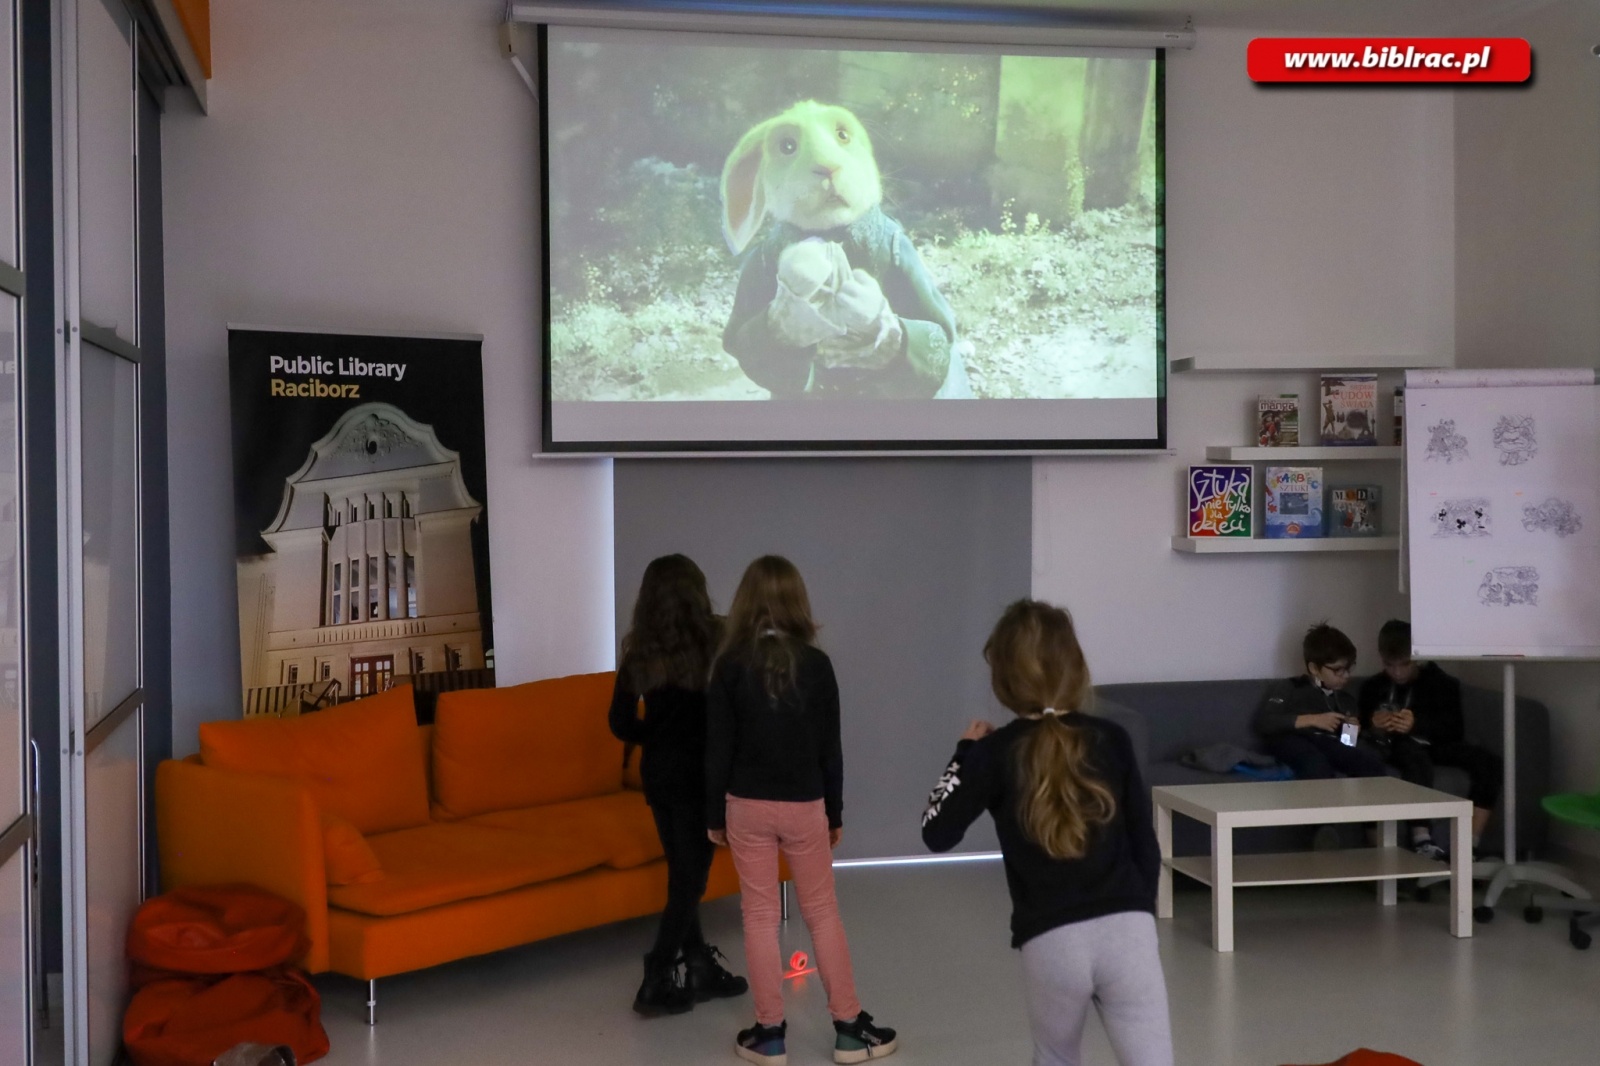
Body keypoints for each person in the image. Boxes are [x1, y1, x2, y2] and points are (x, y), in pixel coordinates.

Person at [921, 599, 1172, 1066]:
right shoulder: (1111, 738)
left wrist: (963, 754)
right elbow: (1145, 843)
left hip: (1051, 941)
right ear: (1075, 666)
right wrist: (1140, 915)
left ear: (1004, 680)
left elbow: (936, 833)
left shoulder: (993, 753)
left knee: (1055, 1056)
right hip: (1128, 927)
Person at [705, 555, 897, 1065]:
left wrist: (713, 816)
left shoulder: (728, 666)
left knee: (760, 915)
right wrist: (834, 813)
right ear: (797, 601)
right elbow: (829, 749)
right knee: (823, 912)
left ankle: (769, 1035)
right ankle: (850, 1029)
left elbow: (717, 749)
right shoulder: (817, 665)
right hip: (805, 805)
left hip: (745, 806)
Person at [609, 554, 748, 1017]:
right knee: (690, 881)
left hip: (660, 775)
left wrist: (658, 736)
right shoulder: (718, 639)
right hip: (701, 776)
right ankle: (657, 974)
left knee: (682, 875)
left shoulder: (640, 652)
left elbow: (619, 723)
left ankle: (699, 968)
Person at [1357, 619, 1502, 858]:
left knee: (1489, 763)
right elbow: (1355, 731)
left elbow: (1454, 730)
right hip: (1397, 747)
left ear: (1417, 657)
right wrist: (1374, 725)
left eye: (1404, 664)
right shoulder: (1373, 687)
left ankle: (1468, 844)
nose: (1397, 672)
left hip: (1438, 744)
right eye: (1389, 665)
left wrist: (1417, 724)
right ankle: (1421, 838)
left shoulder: (1441, 683)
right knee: (1412, 755)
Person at [1253, 622, 1389, 782]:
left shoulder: (1345, 700)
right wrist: (1313, 720)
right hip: (1291, 740)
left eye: (1349, 669)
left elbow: (1347, 744)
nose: (1345, 676)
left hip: (1327, 743)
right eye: (1338, 670)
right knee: (1315, 763)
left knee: (1368, 763)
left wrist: (1351, 731)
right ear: (1314, 668)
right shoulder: (1291, 686)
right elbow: (1264, 722)